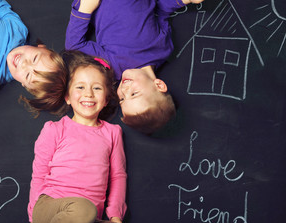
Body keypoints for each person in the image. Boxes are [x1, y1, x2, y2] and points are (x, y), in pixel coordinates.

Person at [25, 50, 144, 223]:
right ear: (67, 97)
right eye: (80, 87)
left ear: (106, 99)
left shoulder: (112, 133)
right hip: (50, 209)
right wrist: (33, 221)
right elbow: (38, 173)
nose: (88, 93)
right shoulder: (55, 129)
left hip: (88, 222)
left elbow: (118, 176)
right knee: (82, 210)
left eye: (97, 88)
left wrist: (115, 217)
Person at [65, 0, 204, 134]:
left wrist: (85, 8)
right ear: (159, 85)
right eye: (134, 94)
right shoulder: (163, 50)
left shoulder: (113, 66)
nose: (124, 90)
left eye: (122, 99)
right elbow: (159, 11)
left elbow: (74, 45)